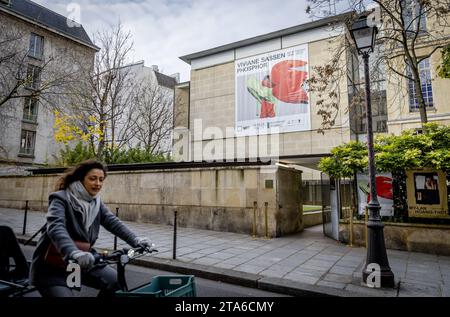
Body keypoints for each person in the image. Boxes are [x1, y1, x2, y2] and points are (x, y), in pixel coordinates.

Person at [29, 159, 152, 297]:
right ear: (81, 179)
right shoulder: (61, 198)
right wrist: (73, 252)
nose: (98, 183)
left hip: (83, 260)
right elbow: (56, 226)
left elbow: (113, 223)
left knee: (116, 281)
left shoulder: (96, 203)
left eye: (101, 179)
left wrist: (136, 240)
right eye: (93, 179)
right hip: (53, 265)